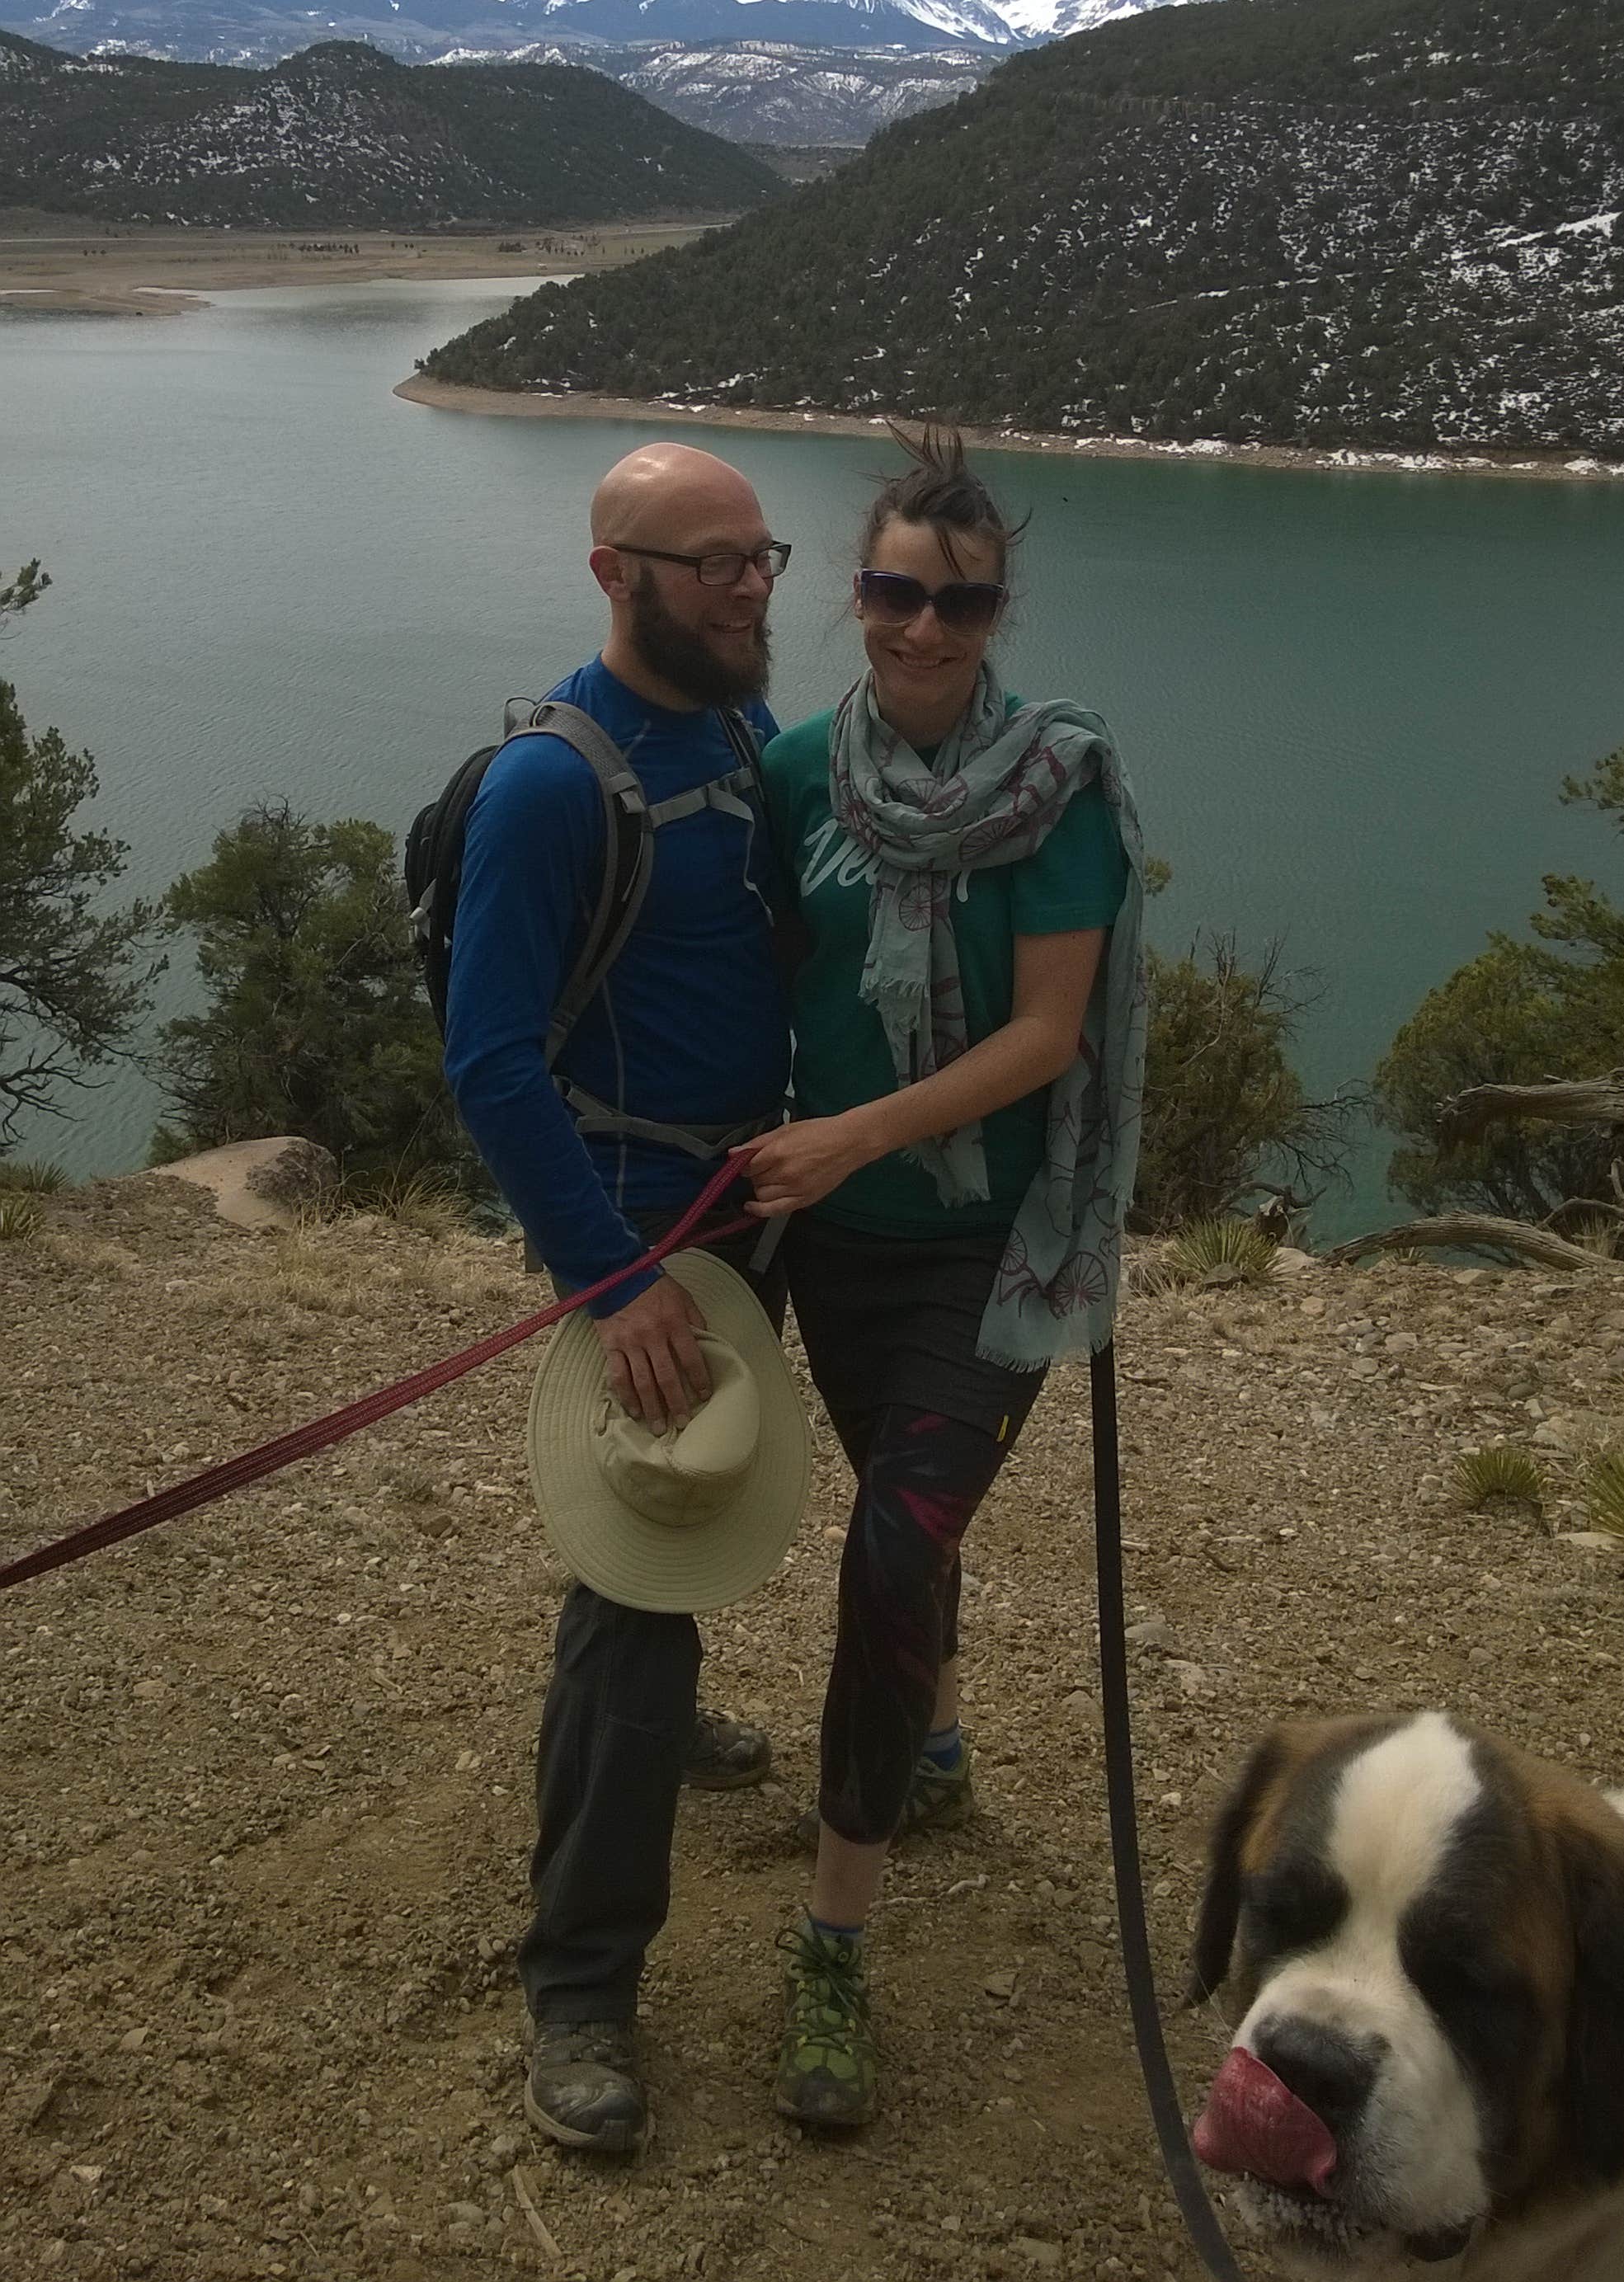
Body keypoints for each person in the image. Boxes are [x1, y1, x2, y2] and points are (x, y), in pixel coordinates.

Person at [746, 424, 1146, 2129]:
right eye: (892, 592)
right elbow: (754, 970)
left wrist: (848, 1132)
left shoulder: (1054, 789)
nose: (920, 628)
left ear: (999, 610)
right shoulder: (789, 778)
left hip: (991, 1244)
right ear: (854, 594)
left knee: (892, 1541)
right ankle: (937, 1747)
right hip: (834, 1253)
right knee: (913, 1531)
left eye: (956, 604)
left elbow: (1050, 1037)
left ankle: (834, 1946)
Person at [443, 441, 793, 2157]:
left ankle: (671, 1726)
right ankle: (579, 1985)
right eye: (709, 561)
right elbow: (491, 1061)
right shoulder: (547, 789)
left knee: (703, 1511)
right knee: (634, 1582)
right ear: (613, 574)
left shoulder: (730, 734)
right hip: (645, 1231)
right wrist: (614, 1278)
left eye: (760, 558)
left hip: (754, 1201)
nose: (747, 589)